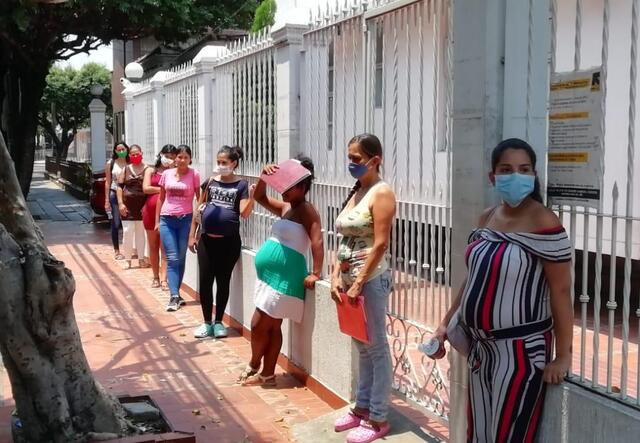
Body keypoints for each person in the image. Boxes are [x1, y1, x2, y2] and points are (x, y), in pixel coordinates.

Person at [434, 138, 573, 442]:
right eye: (506, 169)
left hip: (521, 352)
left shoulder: (545, 222)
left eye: (524, 169)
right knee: (479, 431)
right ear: (493, 176)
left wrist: (562, 356)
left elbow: (561, 292)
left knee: (508, 435)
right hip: (480, 349)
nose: (515, 176)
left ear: (534, 175)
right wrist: (446, 323)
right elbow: (472, 280)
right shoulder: (487, 217)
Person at [331, 134, 396, 443]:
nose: (351, 164)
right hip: (349, 282)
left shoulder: (381, 193)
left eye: (356, 159)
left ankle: (378, 418)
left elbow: (380, 243)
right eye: (350, 158)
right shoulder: (357, 192)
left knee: (378, 349)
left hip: (369, 281)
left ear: (375, 159)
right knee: (361, 345)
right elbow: (342, 239)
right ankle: (361, 407)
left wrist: (358, 282)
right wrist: (335, 276)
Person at [237, 156, 323, 387]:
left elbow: (317, 241)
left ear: (302, 186)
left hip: (286, 278)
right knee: (272, 326)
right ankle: (267, 373)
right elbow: (259, 197)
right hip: (270, 278)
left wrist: (316, 272)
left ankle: (255, 364)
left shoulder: (307, 210)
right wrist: (264, 176)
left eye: (289, 185)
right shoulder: (286, 207)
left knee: (258, 323)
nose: (283, 190)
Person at [189, 146, 255, 339]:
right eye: (219, 162)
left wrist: (252, 198)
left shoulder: (241, 185)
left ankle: (218, 322)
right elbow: (198, 208)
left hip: (229, 243)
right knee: (205, 281)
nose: (220, 165)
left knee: (223, 281)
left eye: (224, 162)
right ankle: (206, 322)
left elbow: (244, 213)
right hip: (207, 241)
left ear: (234, 163)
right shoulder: (210, 182)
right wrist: (192, 234)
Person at [156, 144, 201, 312]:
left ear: (190, 159)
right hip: (167, 219)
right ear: (175, 158)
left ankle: (177, 294)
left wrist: (195, 226)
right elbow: (161, 198)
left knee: (181, 258)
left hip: (185, 220)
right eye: (179, 157)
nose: (182, 160)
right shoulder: (166, 174)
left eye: (185, 157)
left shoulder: (194, 174)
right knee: (173, 257)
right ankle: (174, 295)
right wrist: (157, 221)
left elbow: (200, 199)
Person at [143, 144, 177, 289]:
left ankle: (164, 279)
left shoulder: (174, 173)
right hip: (150, 214)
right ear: (161, 155)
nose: (169, 160)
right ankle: (155, 276)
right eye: (167, 156)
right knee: (153, 246)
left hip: (167, 213)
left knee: (165, 247)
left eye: (172, 157)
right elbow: (146, 188)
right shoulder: (151, 171)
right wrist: (162, 189)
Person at [116, 144, 149, 268]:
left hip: (142, 208)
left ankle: (141, 259)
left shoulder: (147, 169)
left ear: (142, 153)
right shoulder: (125, 169)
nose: (135, 156)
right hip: (127, 207)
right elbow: (119, 187)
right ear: (130, 155)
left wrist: (146, 206)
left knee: (140, 233)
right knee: (127, 232)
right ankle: (128, 260)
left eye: (137, 153)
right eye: (133, 154)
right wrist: (120, 203)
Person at [104, 142, 129, 259]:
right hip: (114, 194)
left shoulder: (131, 162)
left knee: (130, 222)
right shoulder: (111, 163)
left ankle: (131, 248)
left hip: (129, 195)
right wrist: (106, 199)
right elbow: (108, 182)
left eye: (123, 149)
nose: (121, 151)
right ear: (115, 151)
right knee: (116, 222)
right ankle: (116, 250)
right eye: (118, 150)